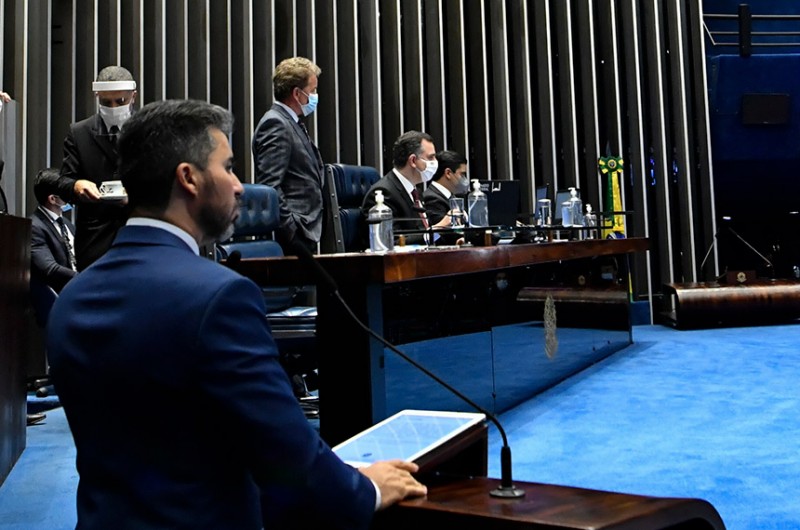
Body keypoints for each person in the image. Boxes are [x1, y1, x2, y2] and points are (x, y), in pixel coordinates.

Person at [46, 99, 426, 529]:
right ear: (188, 178)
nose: (241, 186)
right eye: (228, 167)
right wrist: (368, 487)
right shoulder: (219, 297)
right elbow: (294, 468)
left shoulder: (72, 297)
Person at [57, 65, 137, 271]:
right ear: (97, 97)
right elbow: (64, 182)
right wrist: (76, 186)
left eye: (120, 102)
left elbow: (163, 182)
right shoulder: (79, 132)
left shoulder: (148, 129)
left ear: (133, 97)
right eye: (105, 102)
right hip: (94, 240)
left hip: (139, 232)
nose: (113, 107)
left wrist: (135, 196)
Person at [252, 57, 325, 255]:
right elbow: (270, 185)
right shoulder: (275, 124)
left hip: (306, 229)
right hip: (293, 237)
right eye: (312, 91)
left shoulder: (291, 122)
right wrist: (291, 230)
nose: (315, 96)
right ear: (296, 93)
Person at [361, 130, 451, 246]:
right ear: (413, 161)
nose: (435, 163)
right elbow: (391, 243)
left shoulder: (415, 191)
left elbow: (422, 234)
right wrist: (439, 227)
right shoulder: (384, 194)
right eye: (431, 158)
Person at [30, 167, 77, 293]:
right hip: (60, 296)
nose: (72, 193)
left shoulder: (67, 224)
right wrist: (83, 278)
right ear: (53, 199)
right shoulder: (34, 227)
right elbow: (49, 269)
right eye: (66, 190)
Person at [423, 149, 469, 226]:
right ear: (448, 173)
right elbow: (446, 234)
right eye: (462, 174)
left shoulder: (453, 196)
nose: (464, 179)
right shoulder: (432, 199)